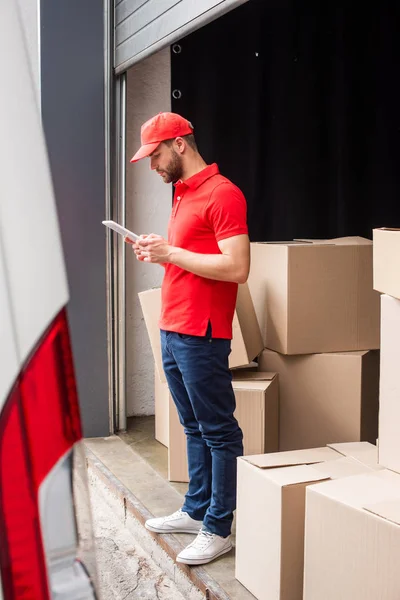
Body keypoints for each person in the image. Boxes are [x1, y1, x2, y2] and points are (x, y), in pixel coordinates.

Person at [130, 112, 250, 566]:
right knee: (193, 427)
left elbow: (237, 267)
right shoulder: (182, 193)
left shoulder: (223, 193)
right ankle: (196, 508)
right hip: (173, 326)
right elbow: (194, 260)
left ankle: (219, 527)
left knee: (219, 431)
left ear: (179, 144)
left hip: (202, 333)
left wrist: (173, 252)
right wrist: (161, 254)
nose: (152, 165)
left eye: (155, 154)